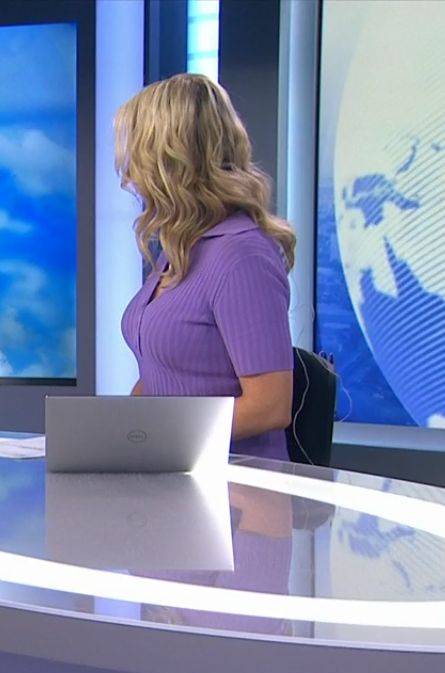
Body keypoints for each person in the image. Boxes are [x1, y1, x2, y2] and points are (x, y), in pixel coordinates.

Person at [115, 73, 296, 461]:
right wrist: (112, 434)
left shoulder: (241, 256)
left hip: (234, 483)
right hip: (168, 473)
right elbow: (162, 376)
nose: (129, 177)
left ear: (173, 163)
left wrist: (153, 437)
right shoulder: (183, 249)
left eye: (138, 159)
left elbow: (269, 406)